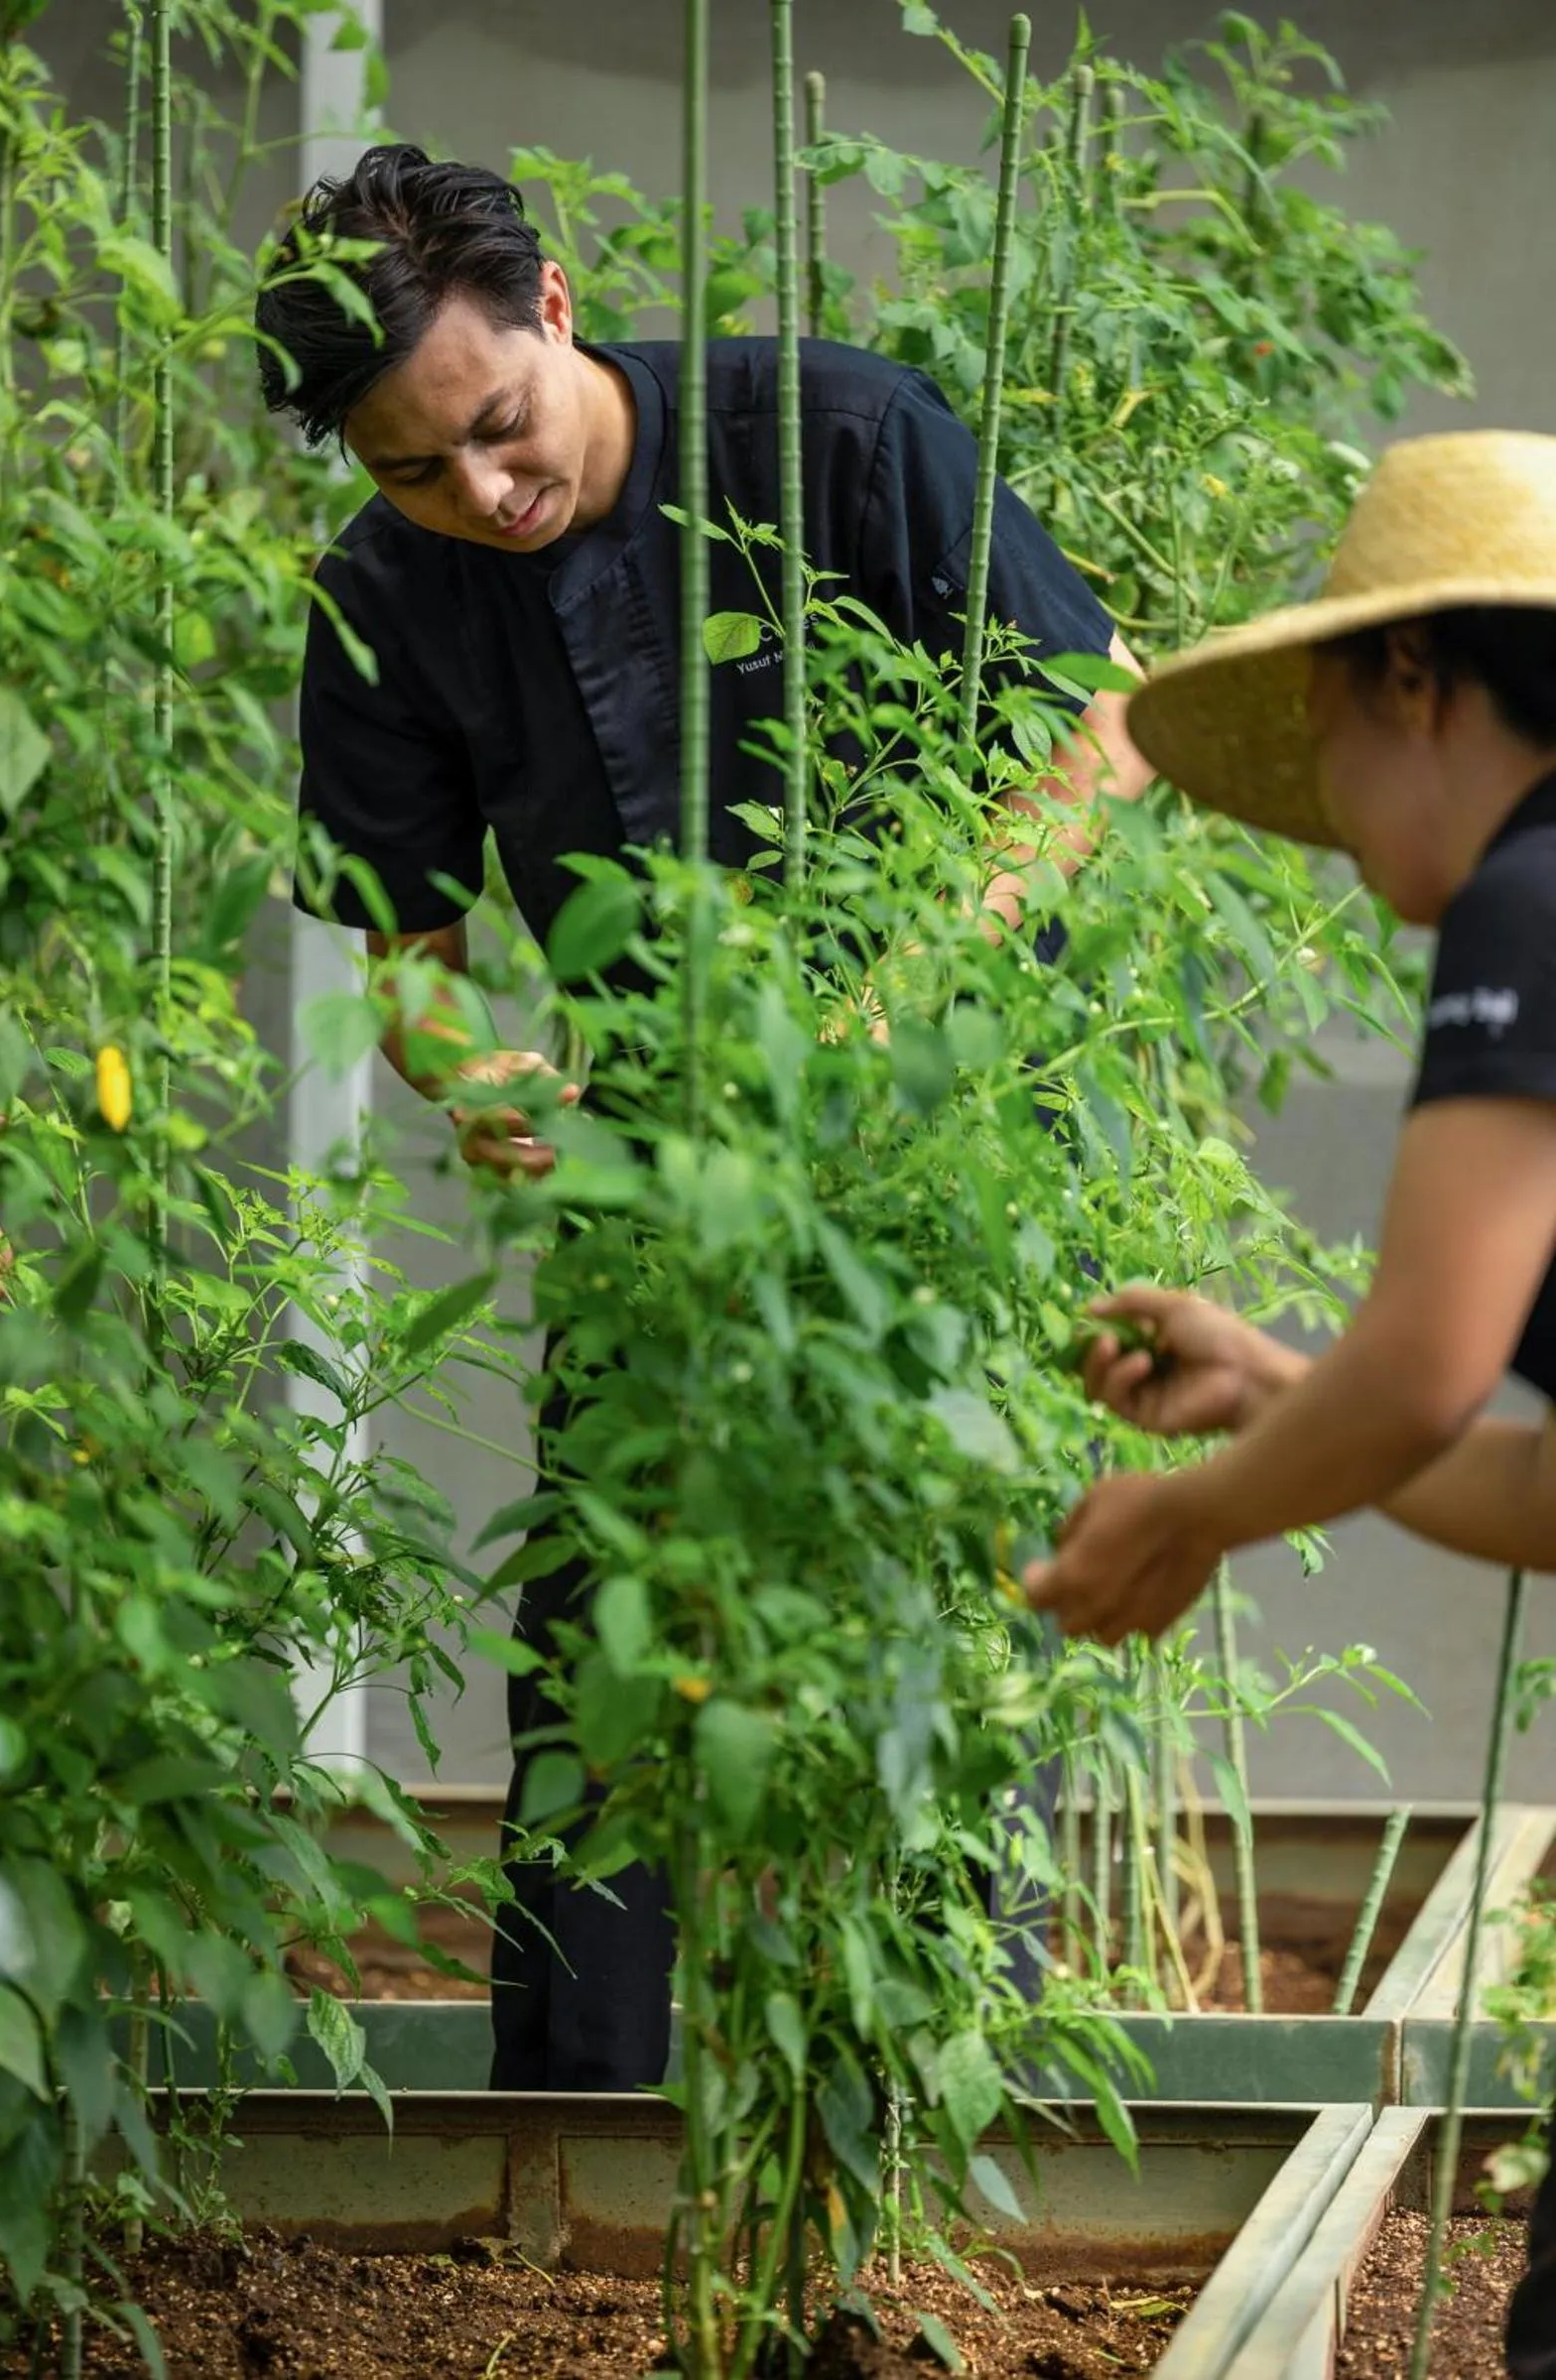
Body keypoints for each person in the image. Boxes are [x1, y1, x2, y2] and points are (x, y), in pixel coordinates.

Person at [255, 144, 1152, 2094]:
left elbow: (1098, 724)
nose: (481, 496)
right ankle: (567, 2133)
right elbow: (399, 941)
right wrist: (464, 1059)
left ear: (555, 307)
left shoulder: (830, 432)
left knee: (943, 1601)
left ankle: (932, 2097)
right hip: (648, 1165)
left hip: (927, 1140)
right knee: (601, 1637)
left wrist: (886, 1003)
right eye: (410, 470)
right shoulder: (388, 593)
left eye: (495, 430)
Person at [1022, 427, 1556, 2377]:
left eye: (1324, 735)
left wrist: (1186, 1511)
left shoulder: (1536, 897)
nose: (1325, 818)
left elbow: (1428, 1368)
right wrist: (1277, 1383)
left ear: (1411, 680)